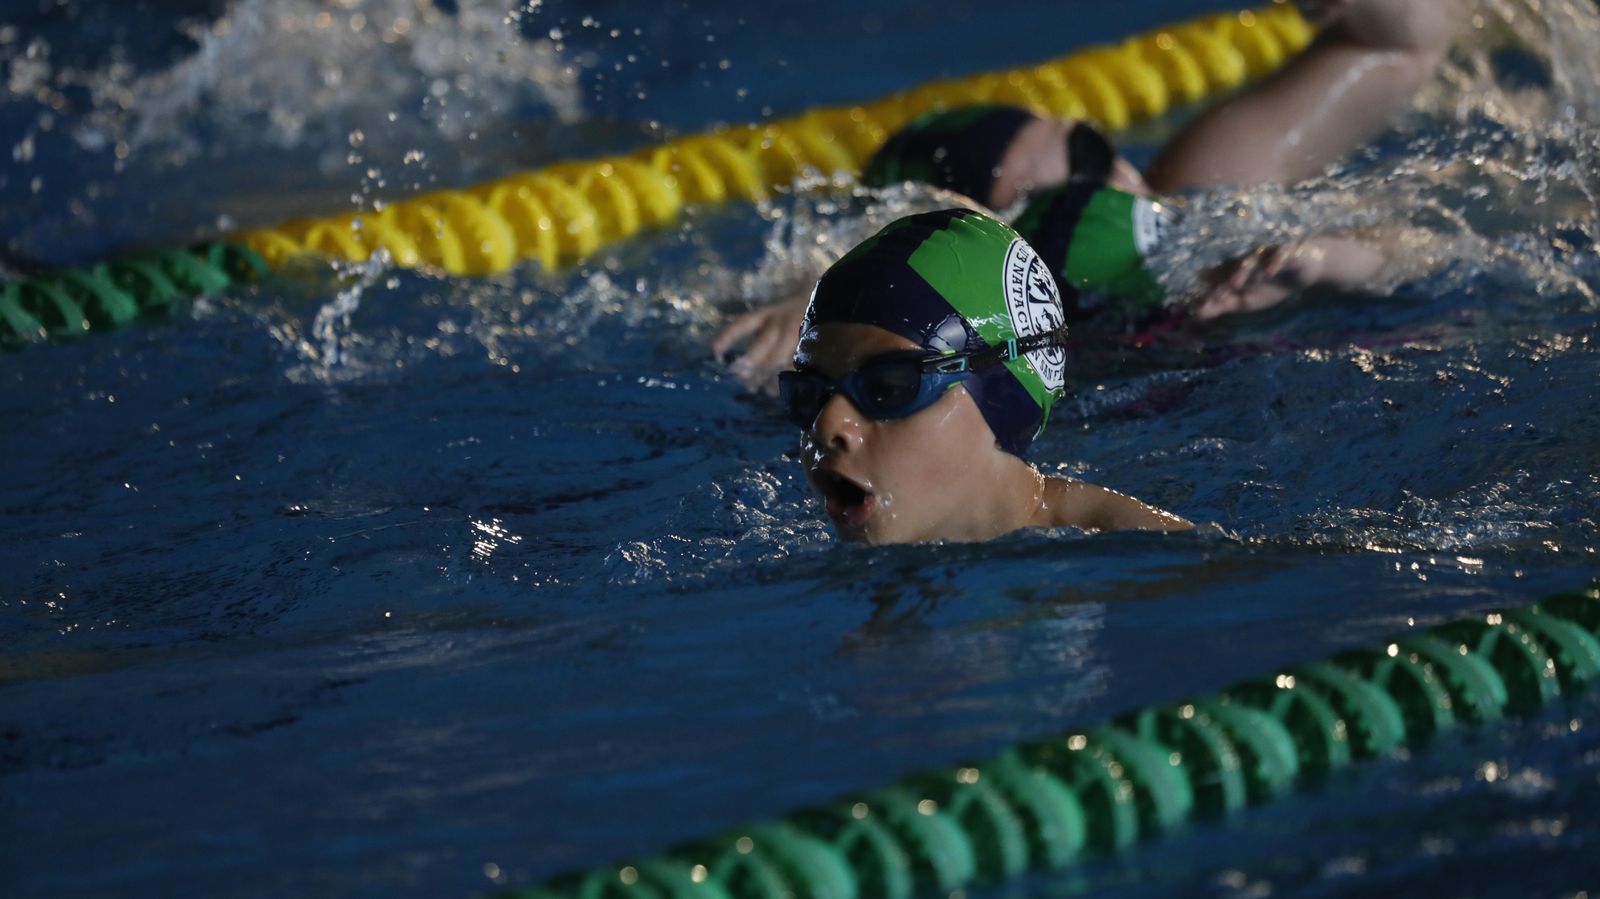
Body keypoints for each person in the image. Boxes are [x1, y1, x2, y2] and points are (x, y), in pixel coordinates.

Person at [715, 0, 1456, 392]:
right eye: (1076, 184)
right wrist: (830, 297)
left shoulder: (1191, 210)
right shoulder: (993, 320)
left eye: (1099, 153)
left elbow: (1400, 42)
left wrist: (1322, 261)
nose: (1115, 189)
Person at [785, 206, 1191, 544]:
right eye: (809, 393)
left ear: (1002, 396)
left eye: (887, 387)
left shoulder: (1147, 560)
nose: (826, 425)